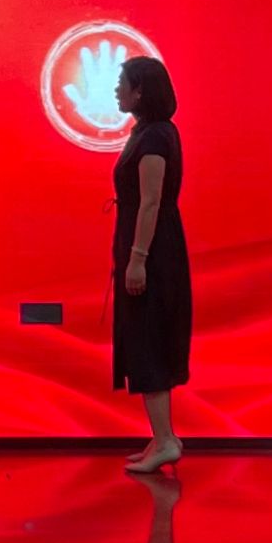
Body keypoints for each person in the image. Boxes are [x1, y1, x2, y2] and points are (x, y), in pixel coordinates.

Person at [112, 55, 191, 475]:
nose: (117, 90)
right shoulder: (147, 132)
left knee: (151, 341)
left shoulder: (156, 136)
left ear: (140, 90)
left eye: (122, 83)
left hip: (155, 253)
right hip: (146, 247)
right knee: (145, 338)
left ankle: (164, 441)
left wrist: (138, 259)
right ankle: (164, 437)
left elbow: (151, 202)